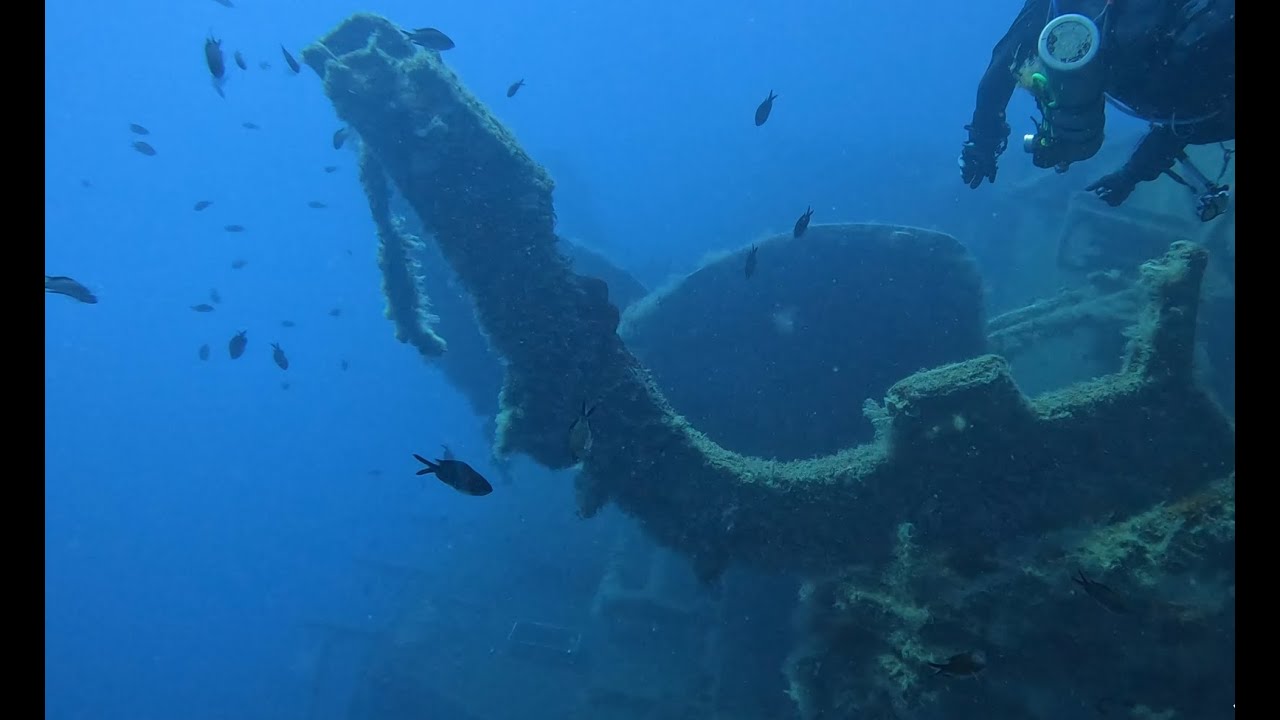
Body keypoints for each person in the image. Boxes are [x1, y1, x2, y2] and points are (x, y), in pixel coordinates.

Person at [958, 0, 1235, 221]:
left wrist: (983, 140)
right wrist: (1132, 174)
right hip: (1195, 90)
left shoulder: (1057, 9)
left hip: (1190, 90)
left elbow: (1004, 63)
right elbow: (1188, 118)